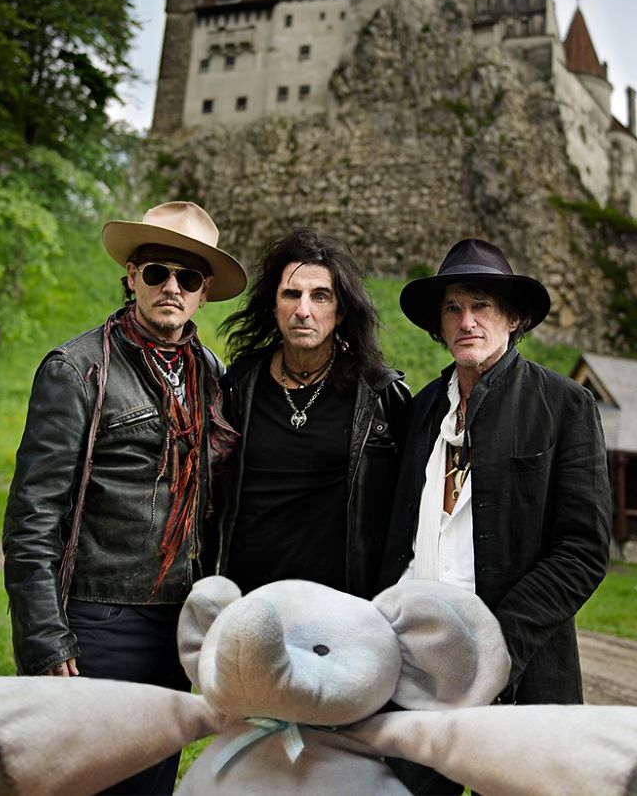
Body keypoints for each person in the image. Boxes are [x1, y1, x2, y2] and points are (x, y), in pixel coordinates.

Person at [2, 201, 246, 796]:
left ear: (203, 292)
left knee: (151, 777)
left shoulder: (211, 373)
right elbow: (33, 514)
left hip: (178, 619)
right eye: (157, 271)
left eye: (187, 278)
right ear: (131, 276)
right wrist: (44, 637)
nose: (171, 287)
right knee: (81, 778)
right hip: (98, 613)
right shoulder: (77, 369)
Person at [378, 237, 612, 795]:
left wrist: (497, 644)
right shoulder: (422, 410)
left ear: (513, 317)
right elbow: (399, 535)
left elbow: (582, 550)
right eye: (454, 308)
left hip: (518, 669)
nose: (467, 321)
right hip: (418, 665)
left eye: (481, 306)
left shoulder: (565, 406)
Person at [216, 226, 410, 598]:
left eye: (320, 296)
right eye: (292, 294)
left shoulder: (380, 396)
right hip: (247, 603)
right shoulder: (238, 387)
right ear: (274, 307)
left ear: (339, 312)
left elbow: (406, 513)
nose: (303, 310)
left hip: (340, 611)